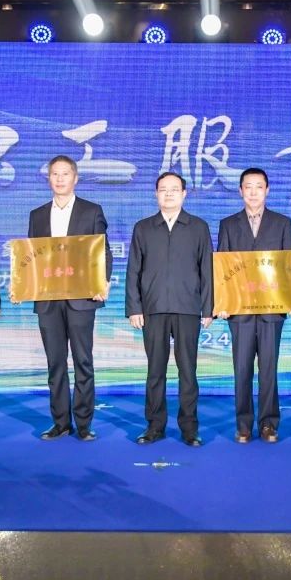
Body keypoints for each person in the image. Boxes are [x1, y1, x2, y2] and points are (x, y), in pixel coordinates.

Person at [26, 155, 112, 442]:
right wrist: (23, 285)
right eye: (55, 174)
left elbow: (103, 251)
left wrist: (102, 282)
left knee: (83, 361)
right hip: (48, 300)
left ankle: (84, 423)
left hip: (82, 298)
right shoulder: (37, 215)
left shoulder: (91, 211)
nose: (60, 179)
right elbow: (31, 258)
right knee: (55, 363)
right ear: (48, 178)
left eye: (65, 174)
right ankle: (60, 422)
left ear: (75, 178)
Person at [126, 171, 213, 447]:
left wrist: (208, 308)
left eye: (174, 189)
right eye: (163, 189)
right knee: (155, 371)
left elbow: (207, 270)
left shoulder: (198, 227)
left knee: (188, 371)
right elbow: (133, 270)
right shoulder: (143, 228)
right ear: (156, 194)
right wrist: (134, 308)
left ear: (184, 194)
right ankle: (155, 426)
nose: (169, 194)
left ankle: (189, 428)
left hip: (188, 307)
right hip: (153, 309)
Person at [216, 167, 291, 443]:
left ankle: (269, 423)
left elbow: (289, 267)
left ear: (267, 190)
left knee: (269, 369)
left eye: (258, 186)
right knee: (242, 369)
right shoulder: (228, 224)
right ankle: (243, 424)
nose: (253, 192)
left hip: (272, 309)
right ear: (240, 191)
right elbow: (223, 267)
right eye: (248, 187)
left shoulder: (282, 223)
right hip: (239, 310)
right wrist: (222, 302)